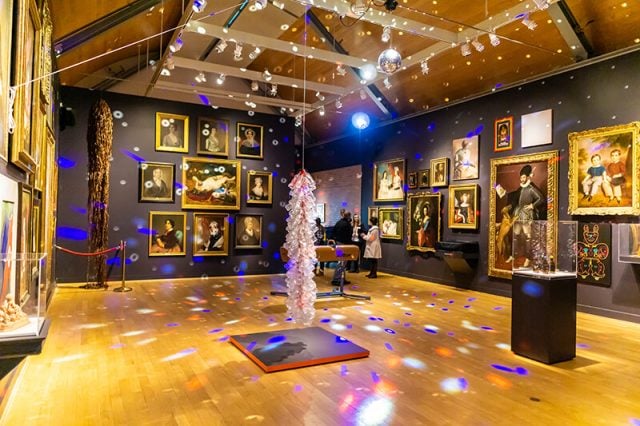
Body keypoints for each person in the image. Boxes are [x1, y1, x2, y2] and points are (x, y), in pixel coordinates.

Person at [507, 165, 544, 267]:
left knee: (528, 237)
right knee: (515, 236)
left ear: (527, 177)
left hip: (527, 215)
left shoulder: (531, 189)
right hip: (518, 213)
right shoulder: (520, 189)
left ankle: (528, 258)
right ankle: (513, 255)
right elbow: (514, 198)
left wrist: (532, 205)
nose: (522, 179)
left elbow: (541, 199)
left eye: (523, 177)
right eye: (521, 177)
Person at [331, 211, 353, 284]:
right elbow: (349, 235)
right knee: (342, 261)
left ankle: (341, 278)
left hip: (338, 244)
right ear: (348, 216)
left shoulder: (338, 223)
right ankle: (337, 278)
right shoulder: (347, 224)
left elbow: (333, 232)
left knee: (340, 261)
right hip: (344, 245)